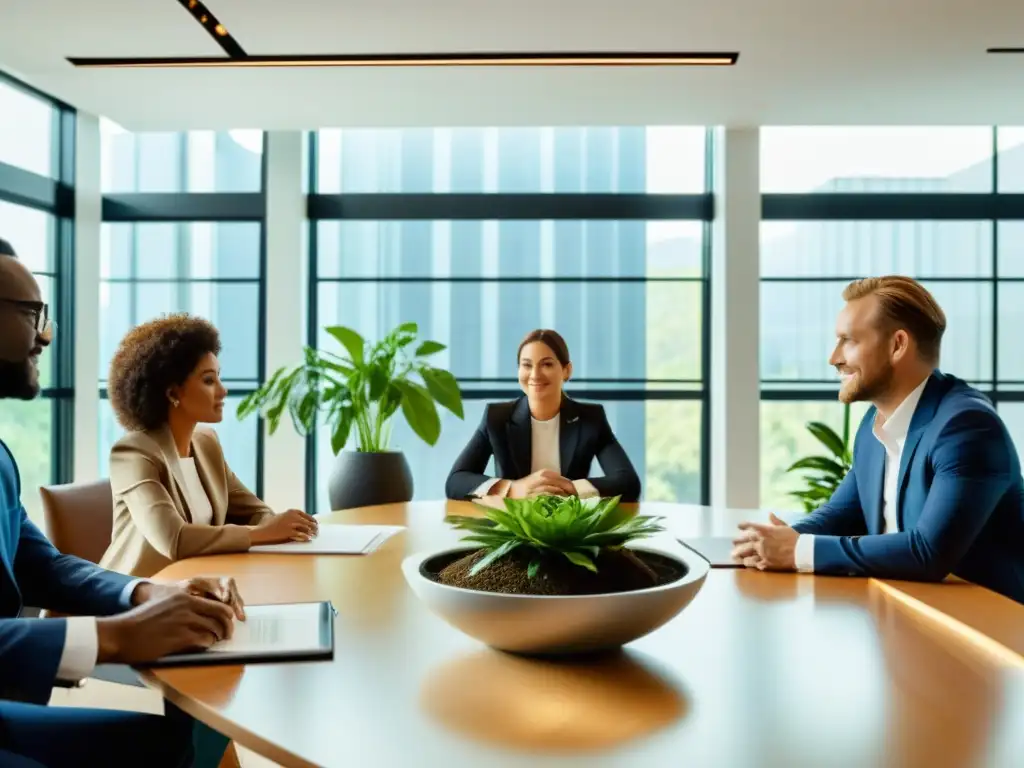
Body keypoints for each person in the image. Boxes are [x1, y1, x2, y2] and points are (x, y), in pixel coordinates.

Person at [0, 238, 245, 766]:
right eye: (30, 313)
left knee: (173, 745)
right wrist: (111, 638)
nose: (44, 335)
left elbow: (43, 565)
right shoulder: (136, 450)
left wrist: (146, 593)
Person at [732, 276, 1024, 605]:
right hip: (909, 613)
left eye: (848, 341)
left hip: (990, 634)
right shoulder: (876, 422)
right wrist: (779, 538)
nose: (834, 358)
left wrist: (796, 550)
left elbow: (928, 552)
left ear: (897, 345)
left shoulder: (967, 428)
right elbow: (840, 515)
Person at [99, 314, 319, 578]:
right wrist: (265, 533)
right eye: (208, 380)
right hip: (135, 597)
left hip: (197, 587)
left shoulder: (206, 443)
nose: (223, 390)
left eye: (218, 377)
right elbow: (174, 539)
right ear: (172, 393)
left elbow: (254, 511)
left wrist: (280, 525)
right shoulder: (133, 454)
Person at [446, 329, 642, 502]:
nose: (535, 375)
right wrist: (513, 488)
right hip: (513, 527)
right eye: (527, 365)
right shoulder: (497, 417)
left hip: (570, 527)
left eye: (546, 364)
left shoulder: (591, 418)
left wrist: (571, 489)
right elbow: (456, 480)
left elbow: (628, 482)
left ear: (566, 370)